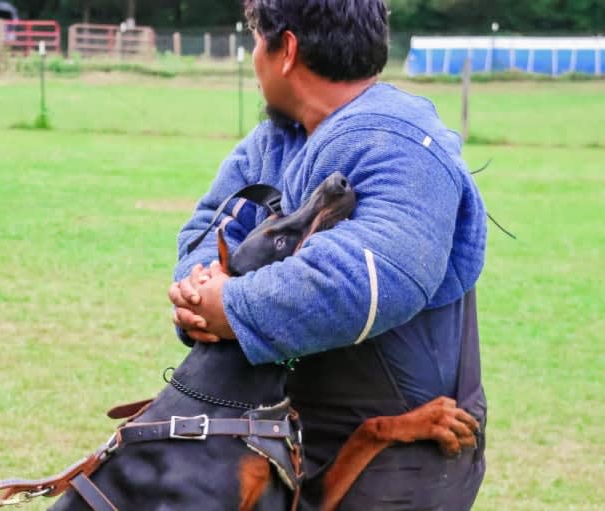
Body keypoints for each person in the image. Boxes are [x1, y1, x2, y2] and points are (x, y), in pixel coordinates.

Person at [168, 0, 488, 509]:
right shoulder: (274, 142)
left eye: (256, 40)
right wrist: (197, 291)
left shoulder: (400, 141)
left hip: (399, 462)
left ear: (286, 50)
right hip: (283, 433)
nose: (254, 58)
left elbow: (369, 279)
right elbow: (211, 228)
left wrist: (229, 306)